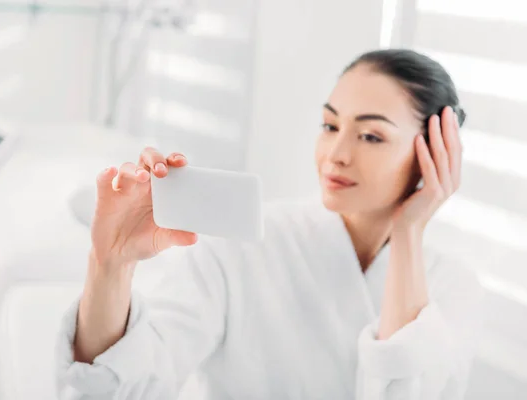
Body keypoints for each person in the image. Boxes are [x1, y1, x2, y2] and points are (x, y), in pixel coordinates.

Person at [56, 49, 484, 399]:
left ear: (436, 153)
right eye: (329, 125)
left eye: (371, 136)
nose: (336, 152)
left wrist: (409, 231)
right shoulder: (241, 245)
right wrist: (110, 263)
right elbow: (119, 385)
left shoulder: (452, 285)